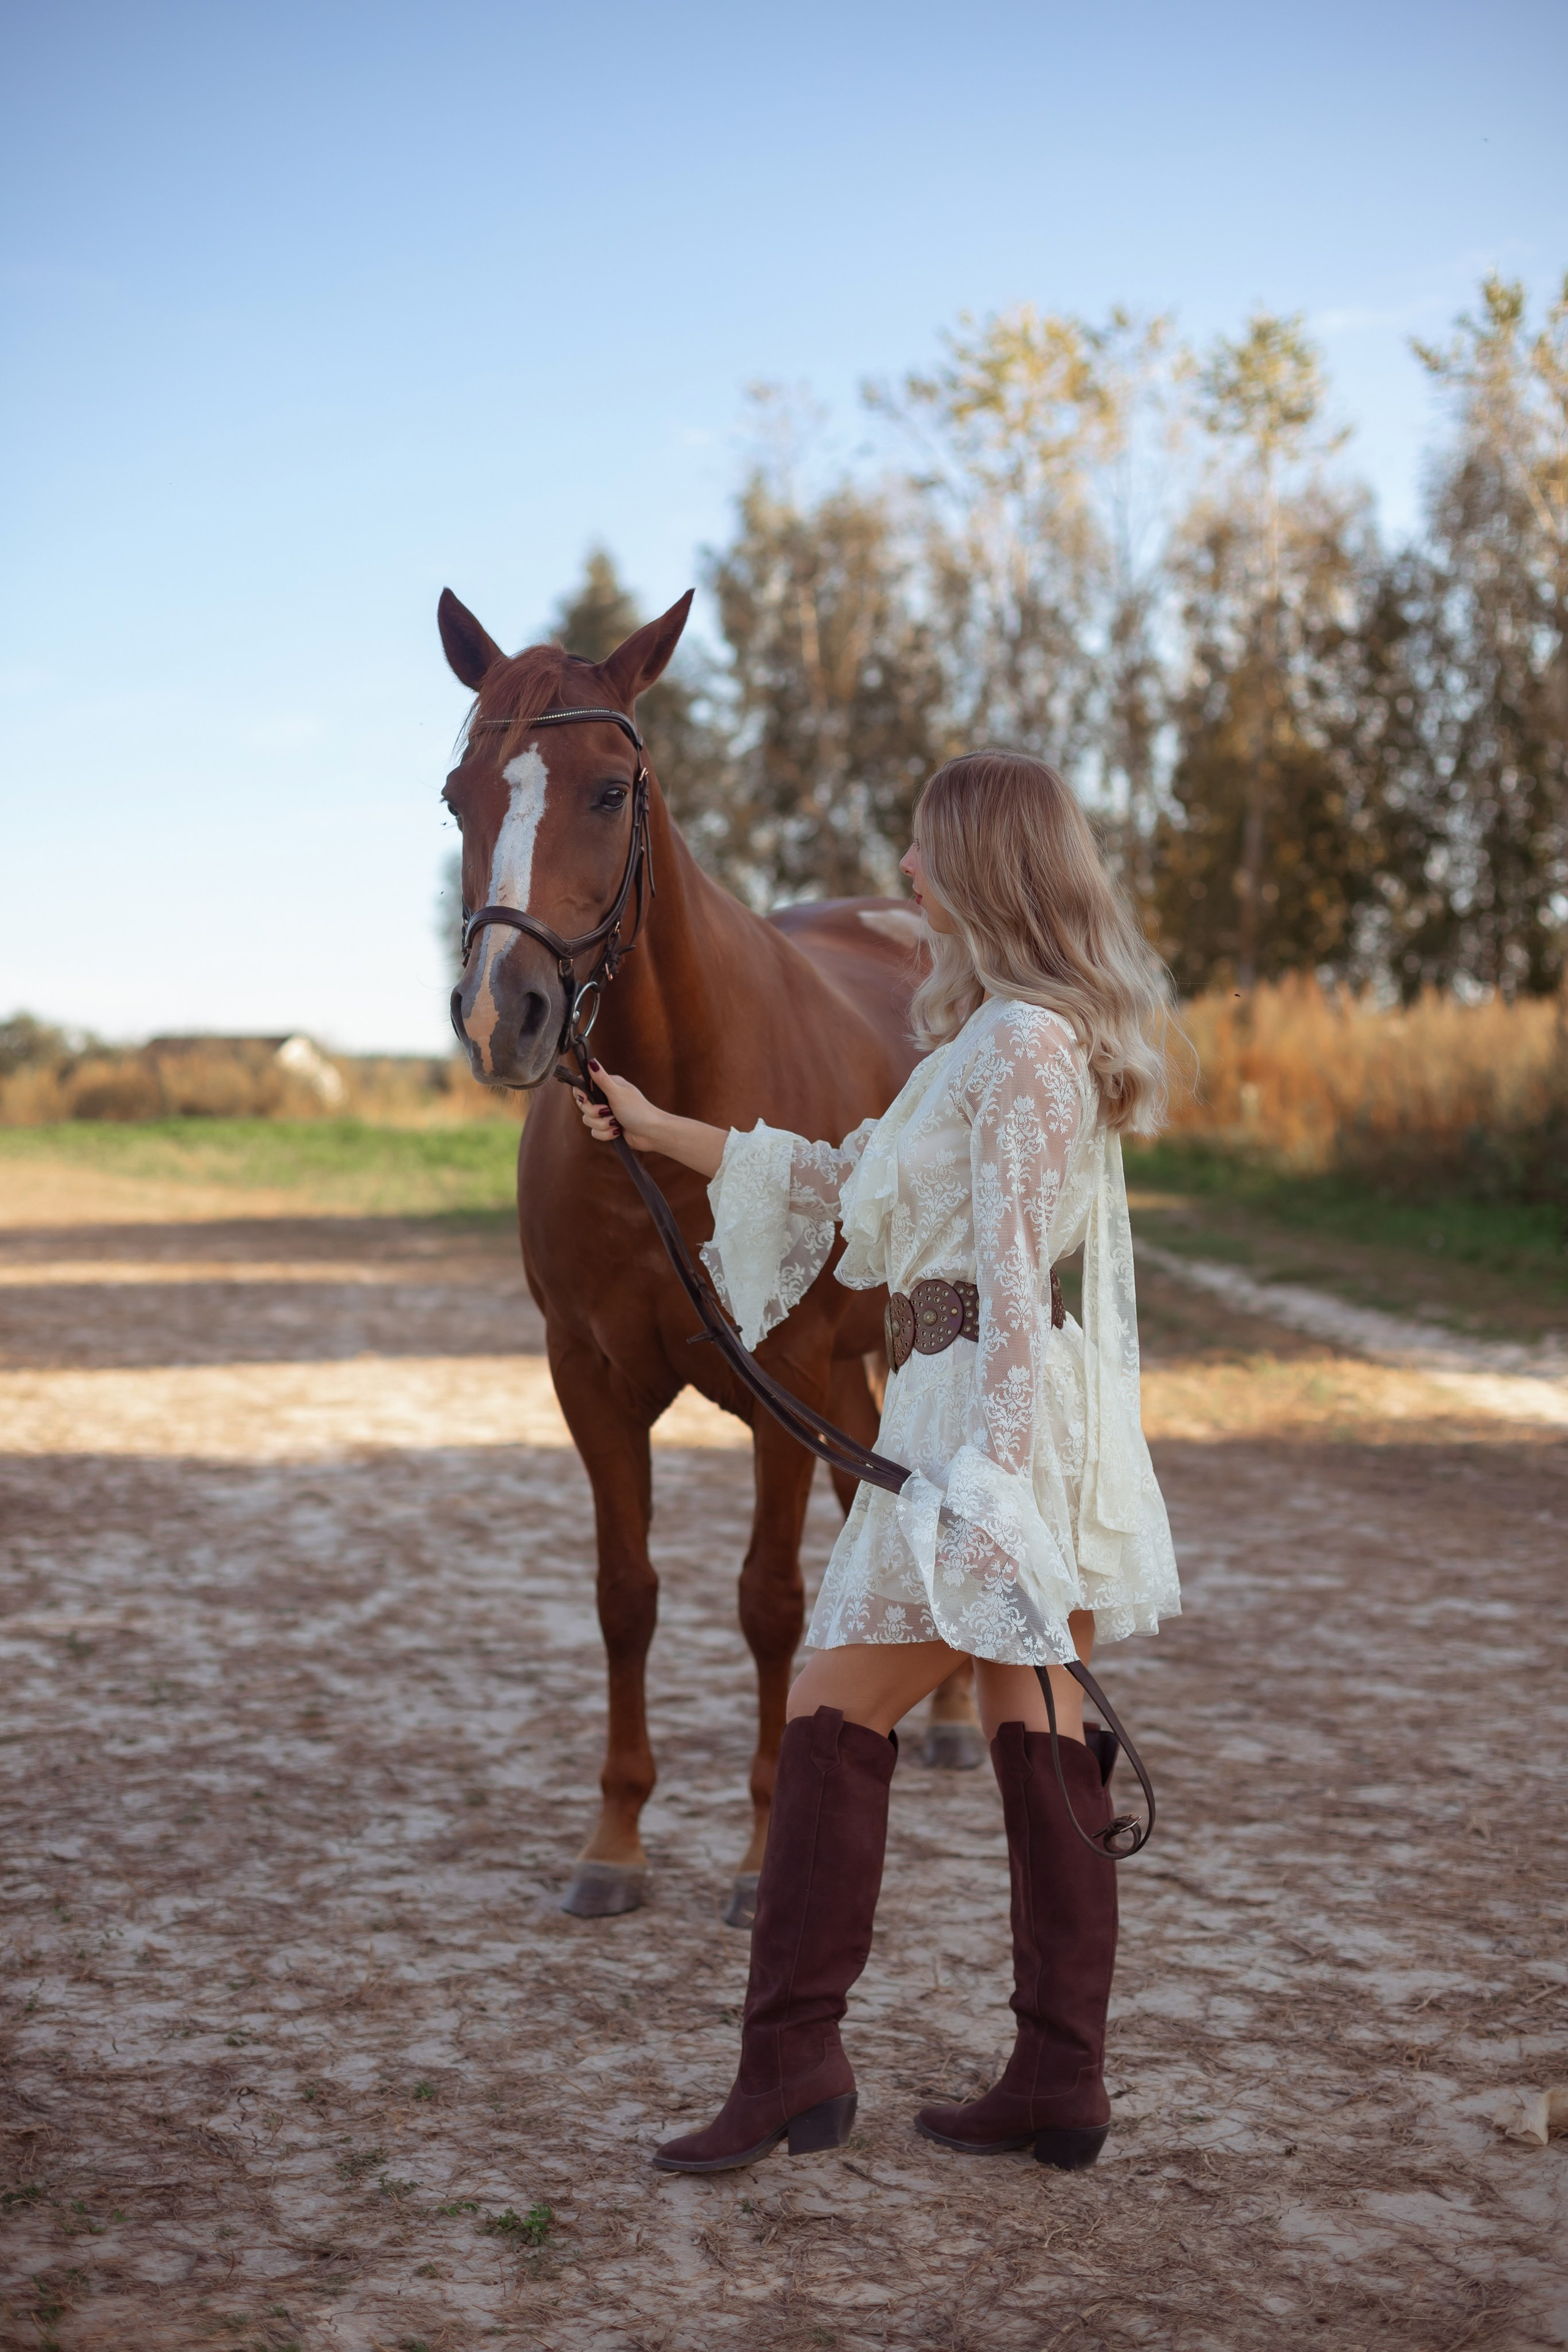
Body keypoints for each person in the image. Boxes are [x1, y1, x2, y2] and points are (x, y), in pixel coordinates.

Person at [573, 750, 1182, 2175]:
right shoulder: (982, 1045)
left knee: (829, 1715)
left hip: (991, 1415)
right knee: (1036, 1740)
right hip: (963, 1400)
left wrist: (991, 1482)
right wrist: (662, 1132)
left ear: (980, 867)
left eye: (923, 854)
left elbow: (1028, 1283)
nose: (903, 876)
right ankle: (1054, 2082)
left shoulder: (1026, 1046)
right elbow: (850, 1186)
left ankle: (789, 2064)